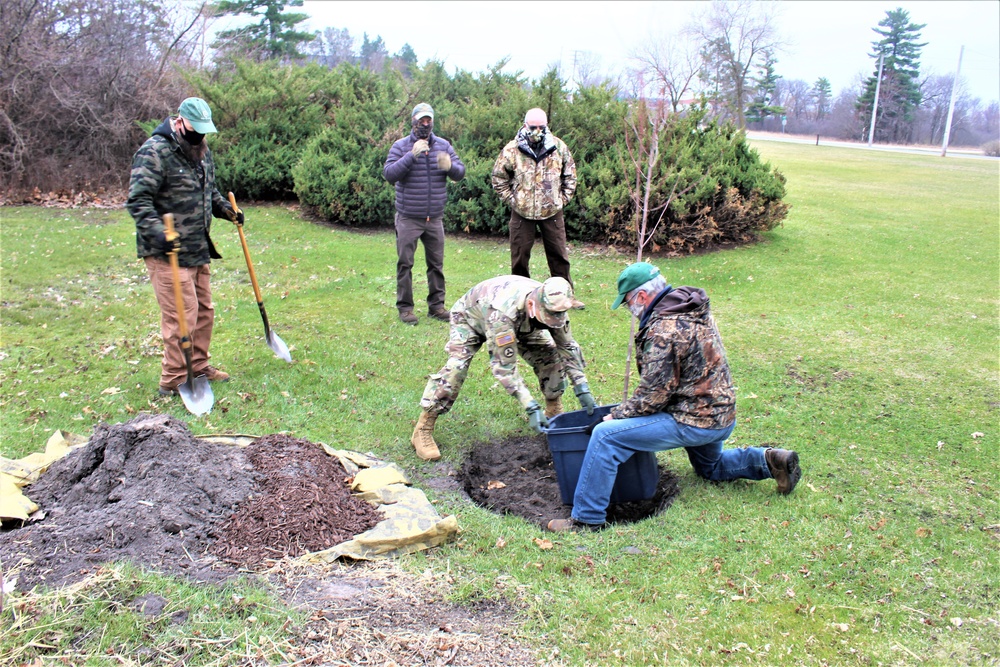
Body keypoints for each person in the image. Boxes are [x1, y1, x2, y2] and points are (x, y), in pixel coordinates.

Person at [545, 262, 802, 532]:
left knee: (605, 436)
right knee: (710, 468)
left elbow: (653, 396)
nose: (628, 309)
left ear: (642, 297)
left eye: (628, 303)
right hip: (720, 412)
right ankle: (771, 460)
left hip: (694, 418)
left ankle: (587, 519)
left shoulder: (663, 330)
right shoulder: (688, 307)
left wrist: (615, 416)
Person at [126, 97, 241, 397]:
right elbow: (138, 201)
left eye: (204, 131)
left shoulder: (201, 151)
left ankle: (199, 366)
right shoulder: (154, 152)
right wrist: (159, 233)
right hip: (167, 253)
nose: (200, 136)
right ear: (179, 122)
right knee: (182, 315)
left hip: (197, 247)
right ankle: (174, 378)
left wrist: (225, 209)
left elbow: (209, 191)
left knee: (204, 311)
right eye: (195, 129)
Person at [411, 276, 596, 461]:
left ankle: (553, 409)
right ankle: (423, 428)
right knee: (457, 367)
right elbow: (504, 367)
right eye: (549, 315)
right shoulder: (502, 314)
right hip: (470, 318)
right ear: (532, 305)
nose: (554, 319)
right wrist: (529, 405)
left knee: (550, 355)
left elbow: (568, 347)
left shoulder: (555, 301)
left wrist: (582, 387)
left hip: (523, 322)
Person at [384, 103, 466, 325]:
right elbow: (389, 174)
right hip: (408, 217)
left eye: (429, 120)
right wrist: (411, 156)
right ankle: (405, 308)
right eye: (421, 120)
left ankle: (436, 306)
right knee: (405, 264)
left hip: (434, 218)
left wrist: (450, 166)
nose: (425, 124)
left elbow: (460, 173)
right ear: (413, 121)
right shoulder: (401, 146)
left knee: (436, 265)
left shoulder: (443, 146)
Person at [491, 107, 577, 285]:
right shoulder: (511, 150)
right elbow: (499, 178)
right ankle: (520, 295)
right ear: (525, 125)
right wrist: (513, 200)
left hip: (552, 211)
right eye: (533, 127)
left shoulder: (559, 147)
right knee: (519, 257)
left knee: (559, 255)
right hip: (522, 212)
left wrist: (561, 200)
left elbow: (570, 176)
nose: (537, 131)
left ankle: (564, 294)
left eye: (541, 126)